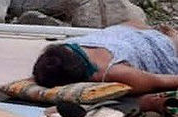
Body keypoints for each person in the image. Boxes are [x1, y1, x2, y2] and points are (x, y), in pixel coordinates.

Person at [32, 21, 178, 96]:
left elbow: (163, 81)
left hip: (160, 44)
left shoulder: (109, 71)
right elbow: (159, 81)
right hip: (131, 30)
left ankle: (171, 35)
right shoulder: (67, 47)